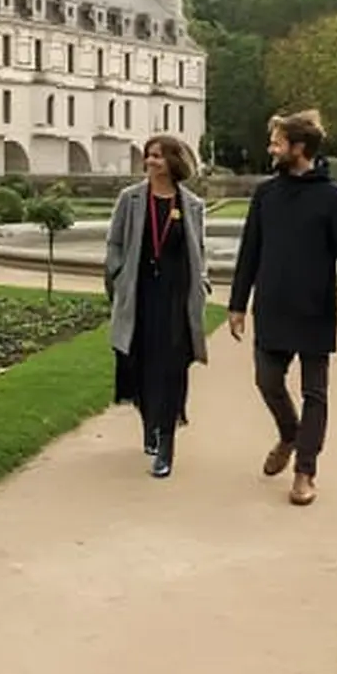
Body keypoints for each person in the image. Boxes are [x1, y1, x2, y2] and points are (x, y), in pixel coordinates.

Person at [227, 109, 337, 507]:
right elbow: (249, 251)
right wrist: (238, 304)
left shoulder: (335, 199)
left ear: (298, 148)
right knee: (267, 382)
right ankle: (290, 434)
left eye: (277, 142)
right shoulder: (266, 194)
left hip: (315, 309)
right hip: (271, 306)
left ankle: (305, 471)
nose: (271, 148)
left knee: (315, 394)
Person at [105, 135, 210, 479]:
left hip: (176, 298)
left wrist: (203, 281)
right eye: (148, 156)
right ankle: (149, 420)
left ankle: (166, 443)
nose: (150, 162)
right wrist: (118, 276)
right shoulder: (131, 199)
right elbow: (116, 243)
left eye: (157, 157)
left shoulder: (191, 204)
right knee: (142, 363)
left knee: (173, 368)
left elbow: (200, 250)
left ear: (173, 162)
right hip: (142, 295)